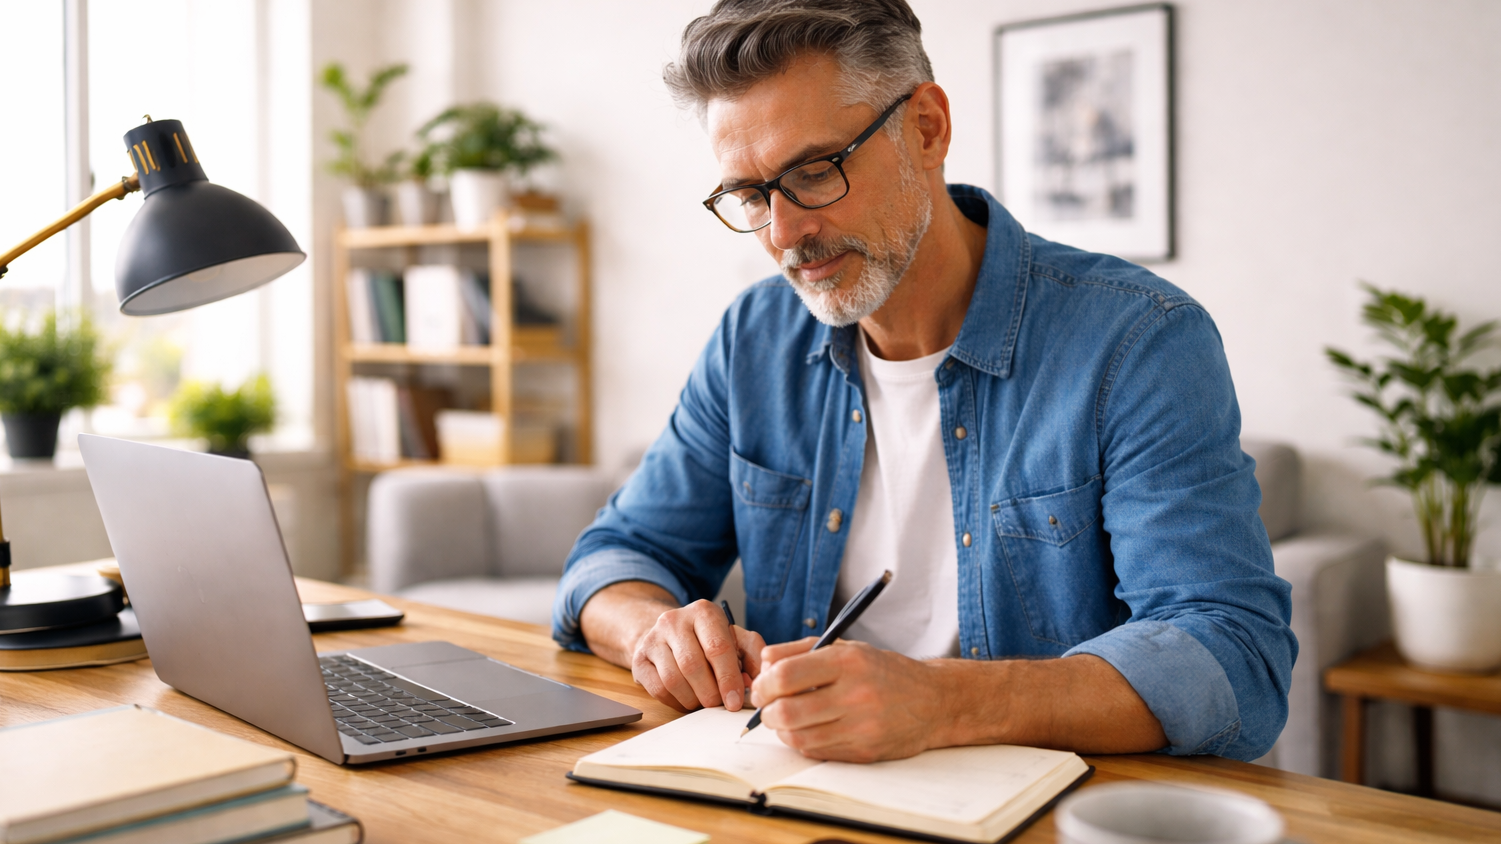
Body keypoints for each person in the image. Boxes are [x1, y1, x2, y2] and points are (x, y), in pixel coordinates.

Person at [553, 0, 1295, 764]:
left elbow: (1234, 655)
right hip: (789, 788)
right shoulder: (755, 339)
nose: (781, 232)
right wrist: (654, 632)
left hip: (1045, 802)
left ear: (927, 129)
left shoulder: (1136, 340)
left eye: (814, 172)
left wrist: (942, 702)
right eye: (749, 194)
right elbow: (613, 557)